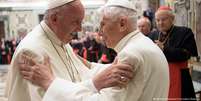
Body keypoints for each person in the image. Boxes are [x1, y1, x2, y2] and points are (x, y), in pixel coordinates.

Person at [18, 0, 170, 101]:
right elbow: (111, 72)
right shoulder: (143, 44)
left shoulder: (130, 55)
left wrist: (50, 82)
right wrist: (86, 64)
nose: (100, 32)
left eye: (103, 24)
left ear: (122, 24)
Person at [5, 0, 134, 101]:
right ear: (54, 19)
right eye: (75, 22)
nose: (80, 29)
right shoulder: (31, 51)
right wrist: (95, 84)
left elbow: (81, 73)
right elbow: (49, 97)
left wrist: (113, 68)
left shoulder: (61, 40)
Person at [148, 6, 198, 100]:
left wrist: (164, 49)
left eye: (164, 19)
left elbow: (186, 54)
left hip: (180, 76)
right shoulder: (152, 35)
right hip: (158, 77)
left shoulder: (184, 32)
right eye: (158, 20)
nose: (160, 23)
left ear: (172, 19)